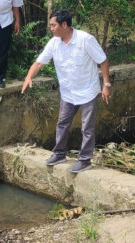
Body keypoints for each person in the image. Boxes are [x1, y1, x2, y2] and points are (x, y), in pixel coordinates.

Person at [21, 9, 111, 173]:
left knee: (87, 128)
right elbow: (39, 63)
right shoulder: (54, 43)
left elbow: (103, 61)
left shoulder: (85, 40)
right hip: (68, 92)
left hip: (87, 91)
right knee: (62, 123)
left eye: (53, 25)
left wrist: (106, 85)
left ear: (64, 25)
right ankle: (59, 153)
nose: (51, 28)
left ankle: (84, 160)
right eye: (50, 25)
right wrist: (28, 77)